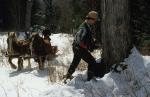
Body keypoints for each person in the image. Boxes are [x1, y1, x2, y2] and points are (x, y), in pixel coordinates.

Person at [64, 11, 99, 81]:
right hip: (79, 48)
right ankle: (90, 79)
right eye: (95, 20)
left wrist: (92, 44)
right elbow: (78, 39)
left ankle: (68, 76)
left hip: (77, 47)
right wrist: (86, 47)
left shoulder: (87, 26)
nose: (95, 22)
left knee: (75, 61)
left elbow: (85, 39)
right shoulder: (84, 27)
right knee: (92, 62)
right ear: (91, 19)